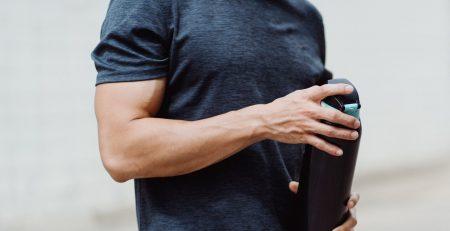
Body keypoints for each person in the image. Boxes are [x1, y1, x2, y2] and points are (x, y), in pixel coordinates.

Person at [92, 0, 360, 230]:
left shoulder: (305, 16)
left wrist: (327, 209)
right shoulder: (153, 5)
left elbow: (300, 141)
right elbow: (121, 150)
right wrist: (261, 121)